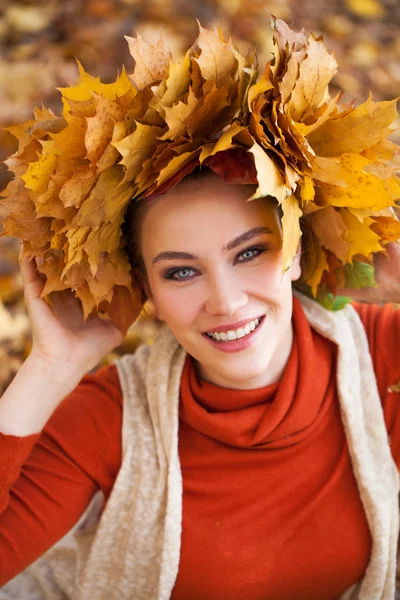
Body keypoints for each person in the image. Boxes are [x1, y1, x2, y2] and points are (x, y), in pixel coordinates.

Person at [0, 16, 399, 600]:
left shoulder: (382, 359)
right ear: (147, 291)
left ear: (296, 250)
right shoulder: (108, 417)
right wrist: (50, 368)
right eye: (181, 271)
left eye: (251, 252)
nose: (226, 301)